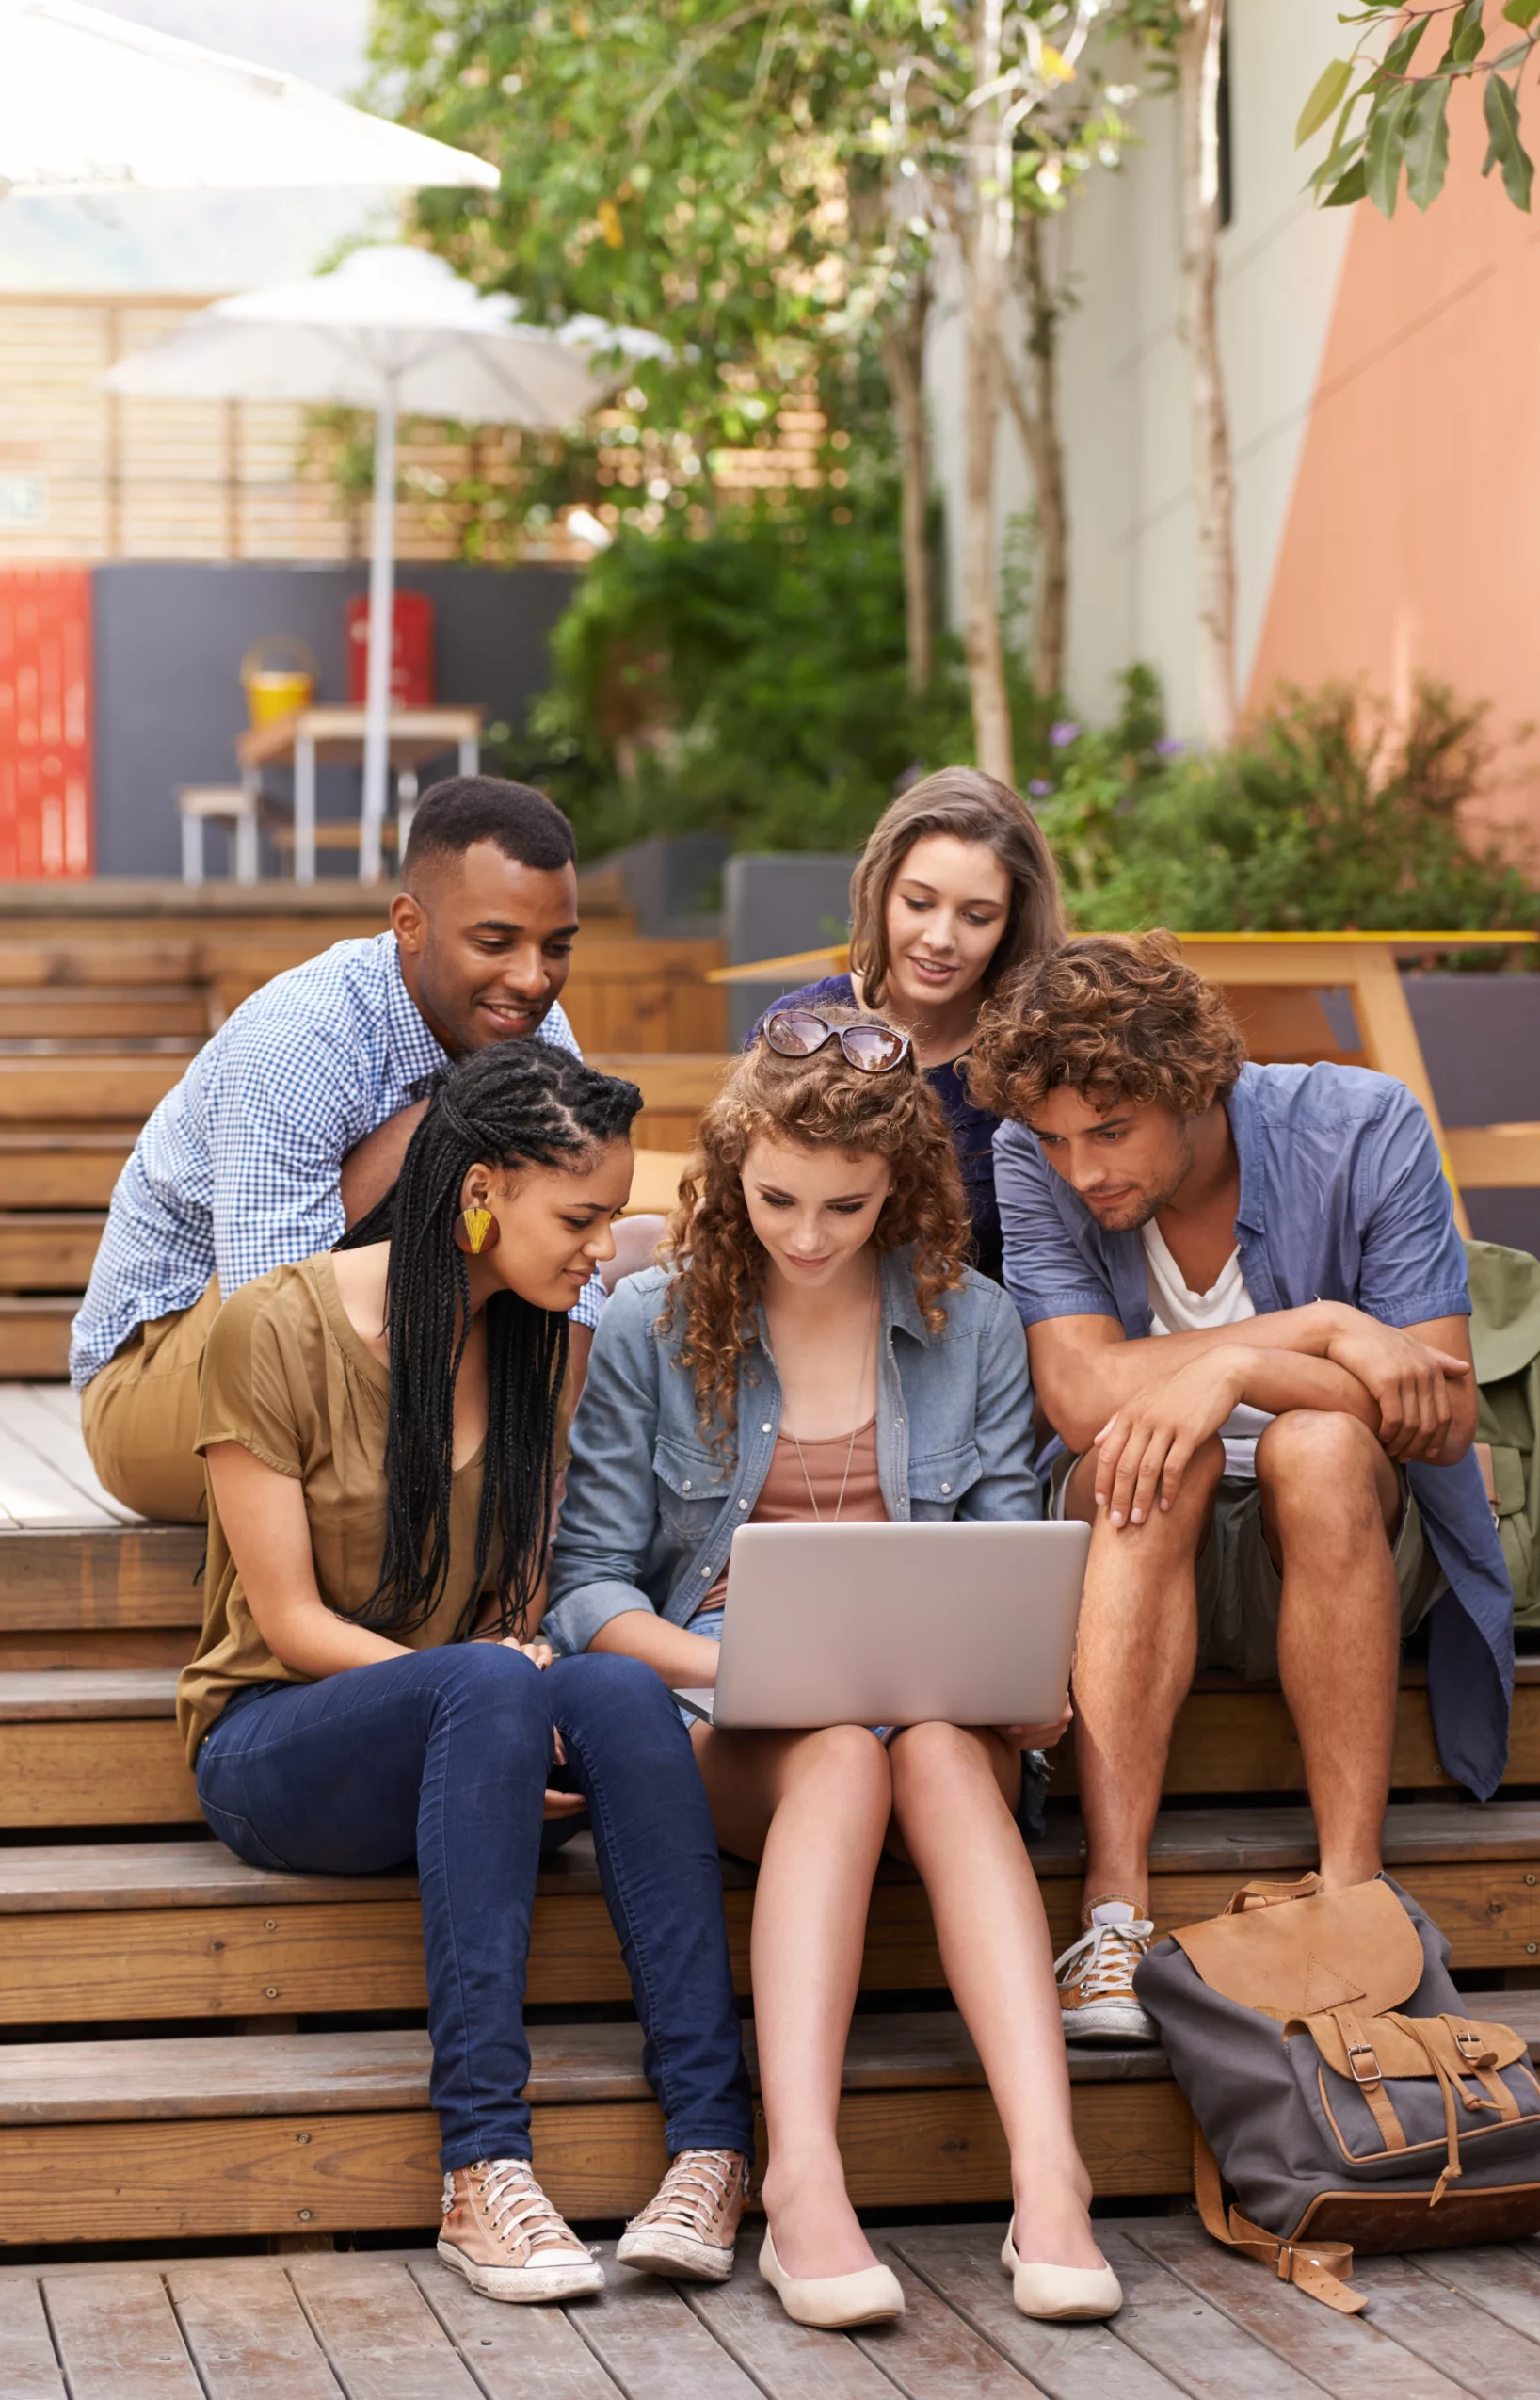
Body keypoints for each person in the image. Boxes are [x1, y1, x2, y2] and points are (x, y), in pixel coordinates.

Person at [544, 1010, 1122, 2330]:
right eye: (778, 1201)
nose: (808, 1237)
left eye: (847, 1207)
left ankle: (1054, 2176)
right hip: (729, 1715)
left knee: (910, 1741)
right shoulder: (653, 1318)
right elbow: (589, 1590)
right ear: (733, 1171)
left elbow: (998, 1550)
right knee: (845, 1753)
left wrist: (1015, 1677)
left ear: (900, 1187)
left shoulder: (968, 1320)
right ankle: (803, 2183)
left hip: (935, 1713)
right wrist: (732, 1654)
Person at [178, 1040, 754, 2303]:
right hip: (280, 1745)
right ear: (482, 1191)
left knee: (608, 1685)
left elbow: (523, 1611)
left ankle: (713, 2144)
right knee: (497, 1685)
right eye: (583, 1217)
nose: (604, 1247)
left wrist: (522, 1684)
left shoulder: (543, 1349)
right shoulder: (271, 1328)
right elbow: (285, 1622)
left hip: (463, 1743)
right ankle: (479, 2167)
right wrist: (487, 1697)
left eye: (612, 1217)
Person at [968, 933, 1515, 2047]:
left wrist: (1232, 1366)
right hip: (1135, 1541)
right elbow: (1078, 1395)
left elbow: (1442, 1411)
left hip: (1341, 1535)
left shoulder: (1363, 1126)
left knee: (1305, 1448)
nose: (1082, 1170)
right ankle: (1112, 1919)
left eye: (1111, 1132)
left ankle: (1351, 1890)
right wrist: (1320, 1331)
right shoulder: (1034, 1154)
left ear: (1198, 1083)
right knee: (1153, 1457)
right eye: (1058, 1139)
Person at [72, 775, 601, 1523]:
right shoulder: (303, 1035)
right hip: (168, 1384)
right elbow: (268, 1315)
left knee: (622, 1243)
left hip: (384, 1354)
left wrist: (549, 1461)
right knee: (460, 1121)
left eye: (557, 947)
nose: (532, 977)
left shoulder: (528, 1021)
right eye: (495, 942)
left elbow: (573, 1235)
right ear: (410, 924)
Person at [754, 768, 1064, 1280]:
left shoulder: (1038, 1050)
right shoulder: (797, 1032)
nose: (940, 937)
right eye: (918, 903)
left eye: (977, 916)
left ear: (1013, 920)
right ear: (879, 890)